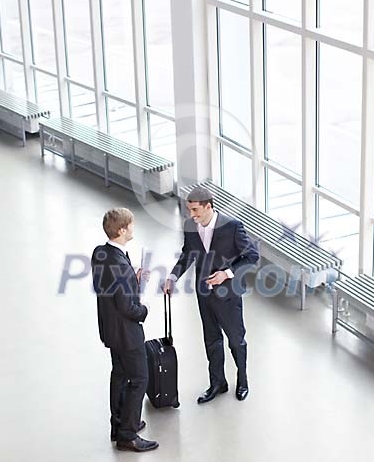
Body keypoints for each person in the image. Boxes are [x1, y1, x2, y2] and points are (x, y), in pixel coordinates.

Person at [165, 187, 259, 404]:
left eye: (195, 210)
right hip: (204, 294)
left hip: (228, 294)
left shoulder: (233, 226)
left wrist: (226, 273)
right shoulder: (190, 226)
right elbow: (188, 255)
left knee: (236, 341)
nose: (191, 215)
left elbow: (251, 256)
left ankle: (242, 380)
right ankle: (217, 383)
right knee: (211, 340)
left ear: (209, 206)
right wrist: (173, 277)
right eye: (189, 210)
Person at [91, 208, 159, 453]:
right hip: (127, 333)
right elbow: (128, 307)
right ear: (121, 230)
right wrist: (146, 307)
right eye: (130, 225)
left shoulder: (101, 253)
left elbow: (114, 287)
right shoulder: (119, 263)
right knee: (140, 378)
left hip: (110, 330)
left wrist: (134, 277)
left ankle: (118, 424)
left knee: (119, 374)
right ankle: (128, 435)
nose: (133, 228)